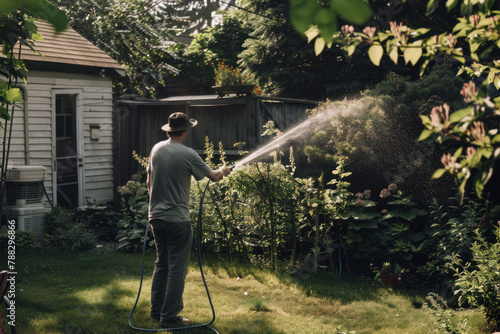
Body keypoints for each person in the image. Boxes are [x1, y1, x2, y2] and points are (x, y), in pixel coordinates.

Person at [146, 112, 230, 327]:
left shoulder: (156, 149)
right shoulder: (188, 153)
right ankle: (170, 317)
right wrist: (224, 170)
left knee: (161, 264)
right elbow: (214, 176)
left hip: (156, 218)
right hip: (177, 221)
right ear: (185, 131)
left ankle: (156, 312)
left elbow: (149, 182)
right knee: (176, 269)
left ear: (169, 130)